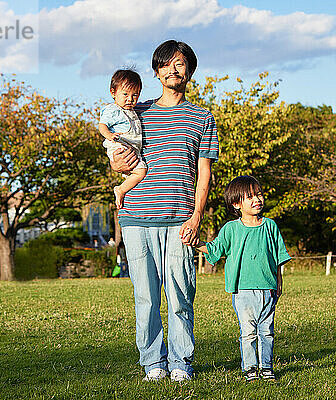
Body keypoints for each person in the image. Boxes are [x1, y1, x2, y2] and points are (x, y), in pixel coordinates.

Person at [110, 40, 219, 382]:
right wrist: (115, 162)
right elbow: (116, 155)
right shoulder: (134, 113)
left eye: (181, 64)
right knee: (145, 297)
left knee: (180, 295)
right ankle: (153, 362)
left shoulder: (203, 116)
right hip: (136, 217)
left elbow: (205, 171)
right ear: (156, 71)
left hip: (180, 220)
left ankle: (181, 362)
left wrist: (197, 216)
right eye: (167, 64)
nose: (174, 70)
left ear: (189, 71)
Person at [192, 176, 291, 382]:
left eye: (259, 194)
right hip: (242, 291)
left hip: (268, 289)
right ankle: (250, 368)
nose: (257, 200)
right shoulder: (231, 229)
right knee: (248, 332)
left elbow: (279, 258)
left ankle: (266, 367)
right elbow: (214, 250)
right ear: (237, 204)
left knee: (267, 332)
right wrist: (194, 242)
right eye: (250, 196)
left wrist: (278, 284)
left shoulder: (270, 226)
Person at [99, 69, 147, 209]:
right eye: (125, 94)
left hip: (131, 148)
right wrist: (109, 135)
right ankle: (121, 189)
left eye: (135, 95)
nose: (130, 99)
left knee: (137, 171)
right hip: (119, 145)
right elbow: (102, 126)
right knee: (141, 171)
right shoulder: (113, 110)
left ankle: (124, 188)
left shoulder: (132, 111)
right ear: (113, 92)